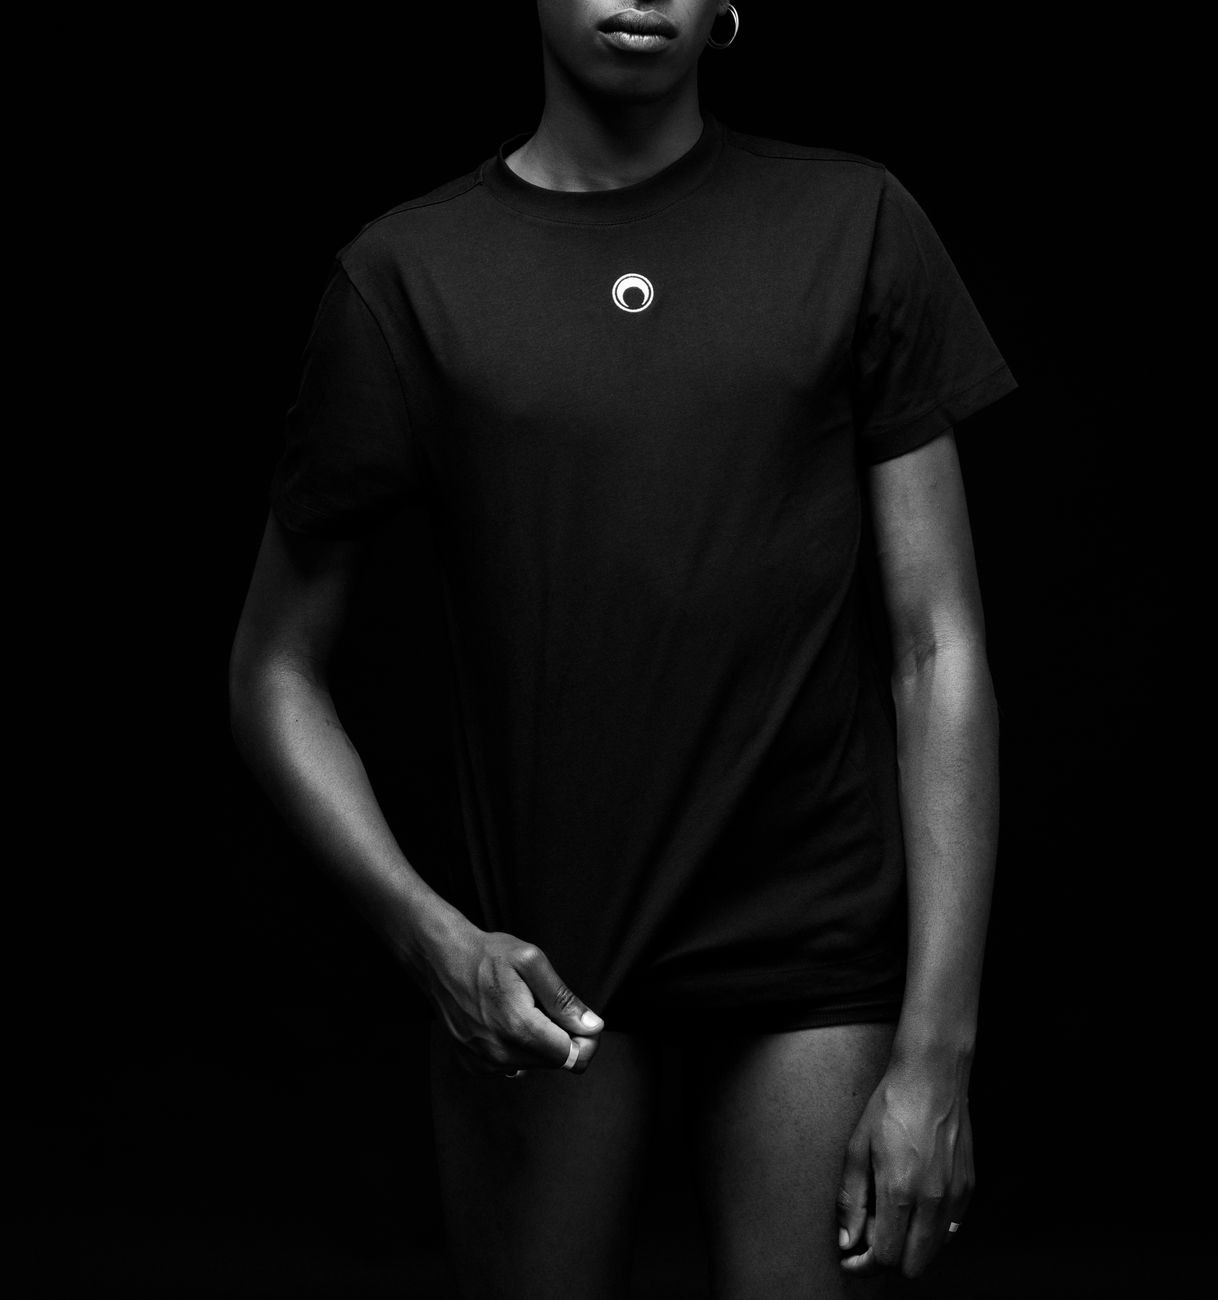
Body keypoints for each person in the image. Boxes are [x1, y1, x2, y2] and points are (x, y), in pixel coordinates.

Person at [229, 3, 1016, 1295]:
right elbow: (273, 671)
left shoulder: (855, 223)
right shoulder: (409, 275)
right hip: (542, 964)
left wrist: (938, 1055)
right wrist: (435, 940)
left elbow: (941, 648)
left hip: (811, 950)